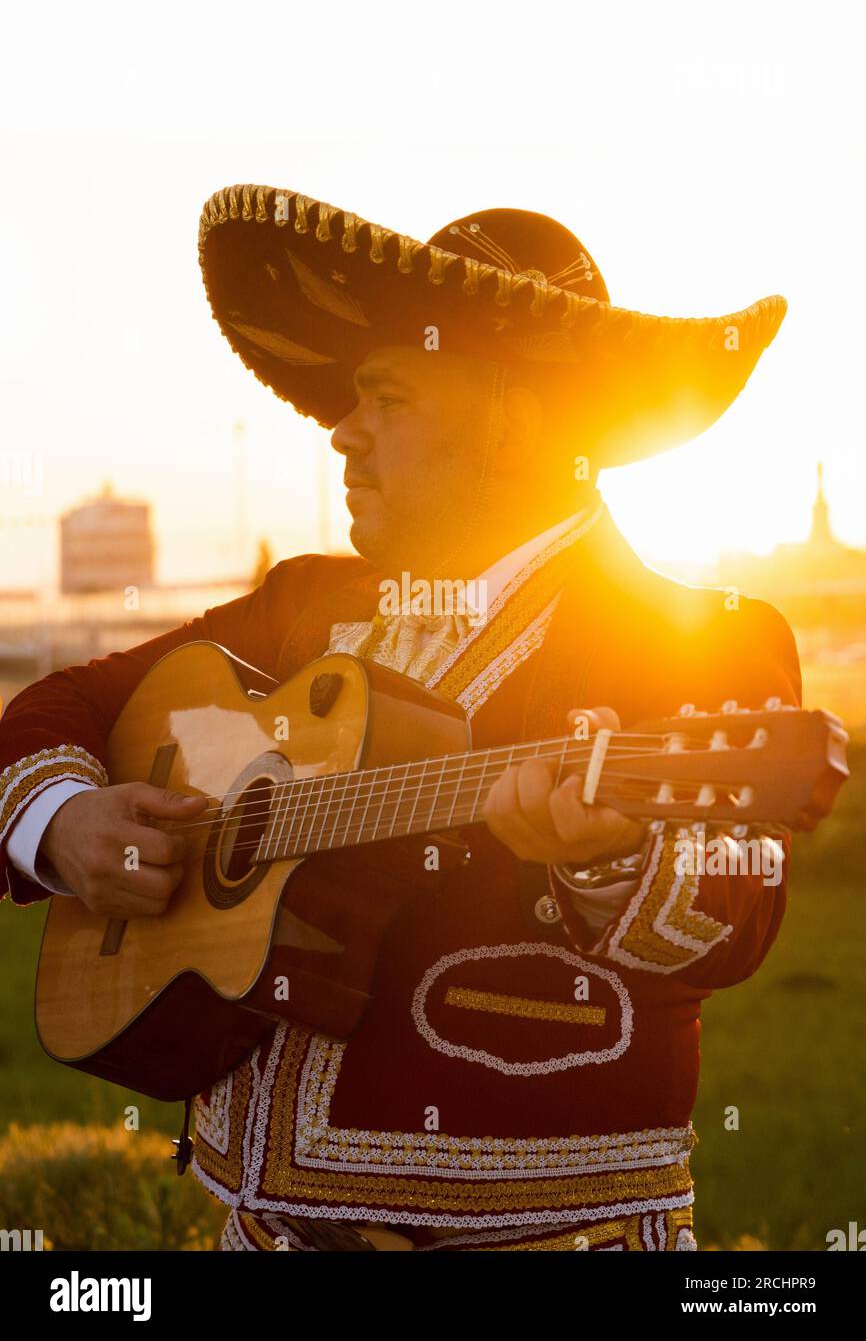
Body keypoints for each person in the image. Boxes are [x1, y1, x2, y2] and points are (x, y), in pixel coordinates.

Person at [0, 187, 800, 1251]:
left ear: (513, 417)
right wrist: (65, 822)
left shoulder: (695, 635)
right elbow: (61, 708)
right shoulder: (300, 607)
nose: (342, 431)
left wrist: (607, 857)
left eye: (384, 397)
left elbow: (733, 908)